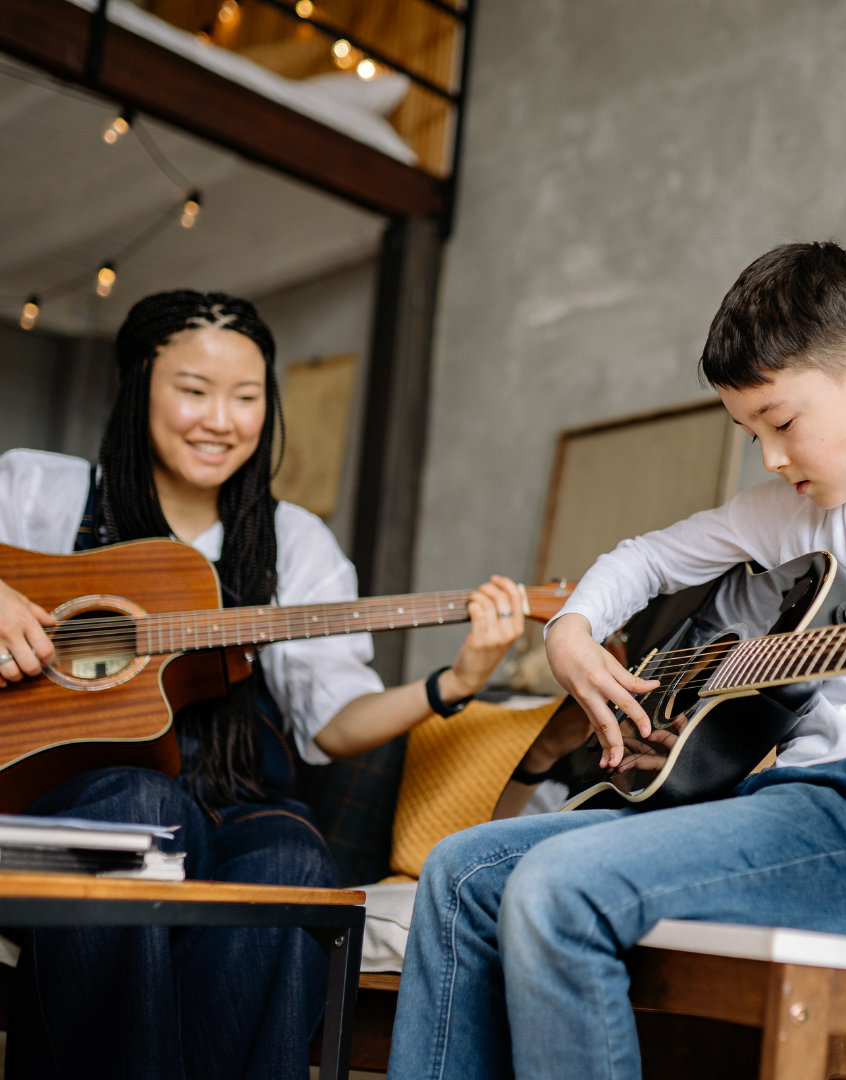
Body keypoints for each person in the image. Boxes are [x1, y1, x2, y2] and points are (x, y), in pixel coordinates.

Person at [385, 242, 846, 1080]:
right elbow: (647, 557)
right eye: (749, 433)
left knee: (559, 889)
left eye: (781, 424)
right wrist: (573, 632)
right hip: (782, 806)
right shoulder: (797, 510)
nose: (770, 458)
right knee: (459, 871)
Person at [0, 290, 528, 1080]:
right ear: (139, 385)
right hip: (60, 801)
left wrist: (454, 681)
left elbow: (334, 724)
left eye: (247, 398)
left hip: (233, 799)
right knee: (141, 810)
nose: (222, 419)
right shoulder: (40, 491)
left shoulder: (293, 541)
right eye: (194, 390)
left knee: (293, 857)